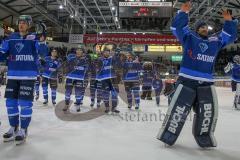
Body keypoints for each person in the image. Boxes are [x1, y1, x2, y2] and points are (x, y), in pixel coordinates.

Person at [157, 1, 238, 148]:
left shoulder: (215, 41)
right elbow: (176, 28)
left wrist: (229, 22)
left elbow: (229, 37)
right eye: (201, 27)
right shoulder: (189, 38)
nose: (204, 29)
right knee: (178, 110)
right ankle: (168, 135)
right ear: (196, 29)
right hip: (187, 80)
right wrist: (183, 13)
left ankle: (204, 138)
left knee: (207, 111)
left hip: (206, 82)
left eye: (206, 28)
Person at [0, 15, 43, 145]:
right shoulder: (11, 38)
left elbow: (42, 52)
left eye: (24, 23)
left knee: (24, 104)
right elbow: (2, 53)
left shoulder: (34, 37)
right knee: (10, 103)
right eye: (20, 22)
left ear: (29, 25)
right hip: (13, 75)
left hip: (28, 76)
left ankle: (24, 130)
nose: (21, 25)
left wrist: (41, 39)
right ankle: (14, 128)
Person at [96, 49, 120, 114]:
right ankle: (107, 107)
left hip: (113, 78)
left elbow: (118, 60)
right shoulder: (100, 60)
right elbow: (97, 69)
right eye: (105, 52)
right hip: (104, 79)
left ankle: (114, 108)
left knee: (115, 94)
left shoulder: (112, 59)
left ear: (109, 53)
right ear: (103, 53)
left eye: (108, 52)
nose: (106, 53)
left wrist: (117, 52)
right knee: (105, 94)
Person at [35, 33, 49, 101]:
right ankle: (37, 94)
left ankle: (45, 98)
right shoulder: (36, 44)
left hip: (43, 66)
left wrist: (43, 60)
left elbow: (46, 55)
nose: (42, 38)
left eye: (43, 37)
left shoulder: (46, 46)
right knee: (36, 82)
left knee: (44, 83)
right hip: (37, 65)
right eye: (41, 37)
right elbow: (35, 53)